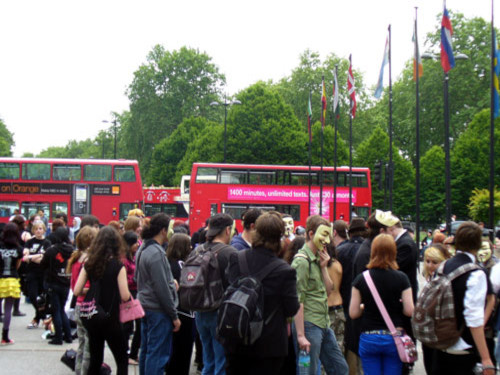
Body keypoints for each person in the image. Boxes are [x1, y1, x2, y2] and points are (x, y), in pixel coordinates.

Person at [223, 212, 300, 374]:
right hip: (269, 345)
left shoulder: (237, 258)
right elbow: (292, 309)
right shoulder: (285, 271)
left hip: (237, 337)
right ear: (279, 237)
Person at [431, 221, 495, 375]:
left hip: (441, 341)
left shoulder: (444, 266)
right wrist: (486, 359)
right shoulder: (476, 273)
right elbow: (473, 317)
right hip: (464, 345)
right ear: (478, 244)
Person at [350, 234, 414, 375]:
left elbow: (353, 313)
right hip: (393, 337)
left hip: (369, 336)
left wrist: (363, 307)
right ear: (394, 252)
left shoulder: (361, 279)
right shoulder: (402, 278)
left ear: (373, 252)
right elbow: (409, 311)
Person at [292, 215, 348, 375]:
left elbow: (329, 289)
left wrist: (324, 267)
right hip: (309, 324)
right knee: (308, 371)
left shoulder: (318, 258)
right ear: (311, 234)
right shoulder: (302, 261)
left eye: (329, 235)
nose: (327, 240)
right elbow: (298, 300)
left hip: (323, 322)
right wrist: (301, 335)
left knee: (340, 368)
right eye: (324, 235)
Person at [74, 226, 131, 375]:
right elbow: (125, 295)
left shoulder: (89, 264)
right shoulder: (118, 266)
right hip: (110, 316)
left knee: (95, 358)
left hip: (92, 315)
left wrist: (92, 290)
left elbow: (77, 290)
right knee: (121, 359)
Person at [135, 213, 180, 375]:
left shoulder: (143, 248)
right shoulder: (157, 253)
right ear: (163, 230)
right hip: (158, 310)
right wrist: (174, 315)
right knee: (158, 354)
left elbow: (138, 277)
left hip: (145, 305)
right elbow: (161, 289)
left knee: (147, 350)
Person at [195, 213, 237, 375]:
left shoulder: (199, 249)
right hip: (220, 312)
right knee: (222, 362)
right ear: (227, 230)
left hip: (200, 310)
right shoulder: (230, 253)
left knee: (208, 360)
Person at [336, 217, 367, 374]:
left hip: (345, 300)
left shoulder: (340, 250)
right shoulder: (369, 249)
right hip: (366, 303)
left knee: (348, 341)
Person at [67, 226, 98, 375]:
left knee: (81, 344)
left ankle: (78, 371)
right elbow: (84, 287)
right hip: (88, 306)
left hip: (78, 305)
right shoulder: (89, 261)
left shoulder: (75, 259)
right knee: (89, 348)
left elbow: (74, 287)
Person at [166, 233, 195, 375]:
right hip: (185, 311)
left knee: (173, 349)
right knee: (184, 351)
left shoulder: (166, 263)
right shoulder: (183, 264)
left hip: (172, 310)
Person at [40, 227, 74, 345]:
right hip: (66, 283)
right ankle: (68, 336)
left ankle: (58, 337)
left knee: (56, 310)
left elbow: (43, 265)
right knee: (62, 310)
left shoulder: (51, 250)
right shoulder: (71, 250)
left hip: (53, 282)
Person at [421, 244, 451, 374]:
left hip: (438, 332)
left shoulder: (444, 280)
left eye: (435, 262)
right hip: (430, 332)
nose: (430, 265)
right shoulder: (432, 278)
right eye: (427, 261)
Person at [23, 220, 51, 329]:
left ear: (44, 230)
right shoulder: (29, 242)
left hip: (43, 273)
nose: (38, 231)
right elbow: (25, 257)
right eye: (36, 229)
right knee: (32, 296)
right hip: (31, 273)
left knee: (42, 298)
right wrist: (37, 256)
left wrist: (31, 257)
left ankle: (36, 318)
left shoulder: (47, 243)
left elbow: (44, 259)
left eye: (40, 229)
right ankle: (43, 317)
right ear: (33, 230)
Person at [0, 223, 23, 344]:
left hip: (0, 277)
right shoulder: (18, 249)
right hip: (12, 279)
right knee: (8, 308)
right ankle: (5, 337)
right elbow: (18, 265)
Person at [122, 231, 141, 366]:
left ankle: (133, 353)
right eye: (135, 243)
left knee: (139, 325)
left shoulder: (134, 256)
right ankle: (127, 354)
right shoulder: (123, 259)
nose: (137, 245)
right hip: (128, 293)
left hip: (136, 291)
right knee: (127, 326)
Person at [326, 242, 345, 354]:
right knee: (339, 345)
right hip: (339, 306)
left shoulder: (322, 266)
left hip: (327, 308)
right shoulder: (337, 264)